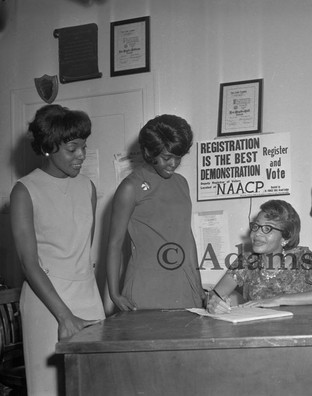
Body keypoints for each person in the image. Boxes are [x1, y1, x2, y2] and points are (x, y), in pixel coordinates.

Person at [10, 104, 105, 395]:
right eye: (72, 148)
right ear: (49, 147)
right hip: (47, 303)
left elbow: (82, 252)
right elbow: (29, 264)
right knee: (49, 389)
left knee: (95, 385)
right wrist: (64, 316)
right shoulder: (25, 190)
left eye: (84, 147)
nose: (81, 156)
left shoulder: (87, 187)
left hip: (88, 297)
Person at [106, 114, 205, 311]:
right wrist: (114, 294)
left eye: (179, 157)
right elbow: (114, 244)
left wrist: (198, 285)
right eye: (167, 157)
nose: (173, 164)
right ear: (148, 151)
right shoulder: (130, 187)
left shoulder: (181, 183)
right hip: (147, 287)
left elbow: (187, 237)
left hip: (183, 285)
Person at [207, 199, 312, 314]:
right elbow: (214, 295)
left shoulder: (302, 258)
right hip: (256, 334)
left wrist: (278, 300)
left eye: (267, 229)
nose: (257, 234)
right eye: (256, 227)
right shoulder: (246, 261)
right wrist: (214, 304)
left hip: (299, 333)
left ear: (285, 237)